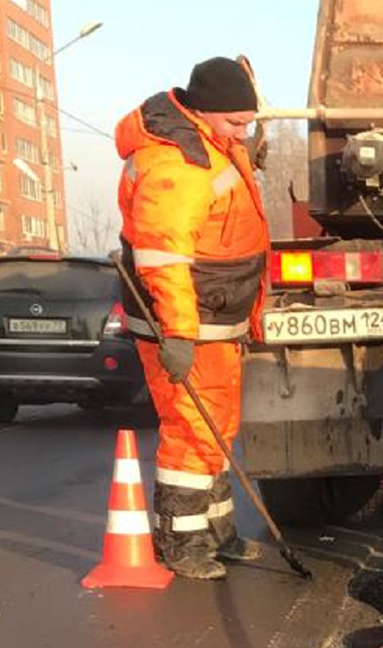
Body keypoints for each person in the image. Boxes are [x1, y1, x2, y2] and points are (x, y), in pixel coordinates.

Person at [115, 57, 268, 580]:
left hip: (213, 319)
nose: (243, 132)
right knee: (191, 431)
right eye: (236, 122)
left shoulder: (212, 144)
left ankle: (217, 533)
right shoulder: (176, 167)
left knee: (218, 429)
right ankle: (180, 545)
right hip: (186, 323)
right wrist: (178, 335)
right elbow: (163, 259)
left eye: (248, 121)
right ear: (203, 112)